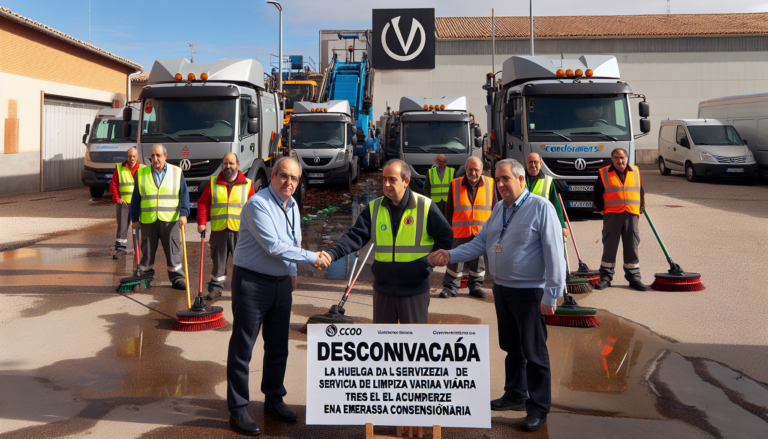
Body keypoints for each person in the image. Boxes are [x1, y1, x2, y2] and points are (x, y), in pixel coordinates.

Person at [430, 158, 565, 432]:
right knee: (512, 348)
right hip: (503, 290)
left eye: (506, 179)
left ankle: (538, 408)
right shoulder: (499, 209)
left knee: (534, 352)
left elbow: (555, 254)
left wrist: (551, 295)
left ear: (521, 180)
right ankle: (515, 394)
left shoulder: (541, 208)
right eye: (499, 179)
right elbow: (482, 242)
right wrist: (450, 254)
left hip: (530, 292)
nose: (501, 184)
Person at [226, 156, 331, 436]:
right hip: (252, 283)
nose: (289, 182)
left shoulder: (293, 205)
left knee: (277, 347)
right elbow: (274, 245)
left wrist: (293, 272)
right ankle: (237, 409)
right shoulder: (257, 204)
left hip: (281, 283)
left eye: (294, 178)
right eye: (284, 176)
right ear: (273, 176)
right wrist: (313, 258)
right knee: (242, 349)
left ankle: (274, 398)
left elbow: (292, 241)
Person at [320, 159, 453, 324]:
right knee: (383, 346)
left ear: (406, 181)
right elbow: (354, 236)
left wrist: (428, 263)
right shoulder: (374, 208)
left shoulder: (425, 206)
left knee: (414, 345)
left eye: (392, 179)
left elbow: (446, 236)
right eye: (384, 179)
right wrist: (332, 254)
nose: (386, 184)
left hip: (415, 290)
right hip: (383, 291)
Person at [196, 152, 256, 301]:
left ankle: (243, 289)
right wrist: (202, 222)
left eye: (231, 163)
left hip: (241, 232)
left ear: (237, 165)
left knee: (243, 262)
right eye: (225, 163)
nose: (228, 166)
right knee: (218, 262)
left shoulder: (247, 184)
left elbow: (254, 209)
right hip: (219, 230)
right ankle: (216, 288)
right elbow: (203, 203)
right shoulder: (213, 182)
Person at [130, 144, 189, 289]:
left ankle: (177, 279)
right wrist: (134, 219)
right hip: (148, 220)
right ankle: (146, 276)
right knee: (147, 250)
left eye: (158, 155)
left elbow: (184, 195)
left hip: (170, 220)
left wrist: (184, 213)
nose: (155, 159)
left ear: (165, 157)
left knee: (173, 249)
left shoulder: (176, 172)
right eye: (152, 156)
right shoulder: (141, 173)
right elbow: (135, 198)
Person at [440, 156, 496, 299]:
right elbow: (449, 210)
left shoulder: (491, 183)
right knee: (455, 261)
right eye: (470, 169)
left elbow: (496, 208)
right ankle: (450, 287)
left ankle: (475, 287)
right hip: (459, 231)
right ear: (465, 169)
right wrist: (448, 230)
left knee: (478, 262)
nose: (473, 172)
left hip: (481, 232)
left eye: (476, 169)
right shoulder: (455, 184)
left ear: (481, 170)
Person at [592, 148, 647, 291]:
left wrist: (641, 206)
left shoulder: (635, 171)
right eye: (616, 158)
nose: (619, 161)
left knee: (632, 246)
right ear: (612, 159)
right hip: (612, 215)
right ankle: (606, 278)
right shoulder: (604, 173)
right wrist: (602, 209)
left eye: (622, 157)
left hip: (631, 214)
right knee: (609, 246)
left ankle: (634, 278)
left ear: (626, 158)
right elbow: (597, 193)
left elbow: (640, 190)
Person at [524, 153, 569, 238]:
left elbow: (556, 204)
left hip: (543, 223)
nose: (533, 165)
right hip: (524, 223)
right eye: (530, 162)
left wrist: (562, 226)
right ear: (526, 163)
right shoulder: (519, 180)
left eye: (536, 162)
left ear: (540, 164)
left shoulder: (548, 181)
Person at [110, 148, 142, 259]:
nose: (131, 158)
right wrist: (117, 198)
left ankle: (138, 249)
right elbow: (113, 184)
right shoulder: (120, 167)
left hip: (138, 204)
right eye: (129, 156)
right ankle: (120, 249)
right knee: (122, 227)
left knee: (138, 227)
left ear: (137, 157)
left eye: (133, 156)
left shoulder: (143, 169)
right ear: (126, 157)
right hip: (123, 203)